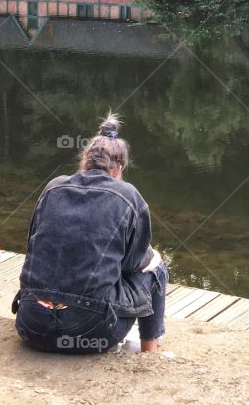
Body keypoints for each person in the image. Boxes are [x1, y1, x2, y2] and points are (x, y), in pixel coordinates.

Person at [15, 114, 167, 355]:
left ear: (85, 161)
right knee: (156, 266)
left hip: (31, 325)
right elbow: (133, 264)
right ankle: (150, 351)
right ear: (120, 168)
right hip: (88, 330)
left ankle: (148, 349)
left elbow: (34, 246)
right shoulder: (128, 195)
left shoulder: (53, 187)